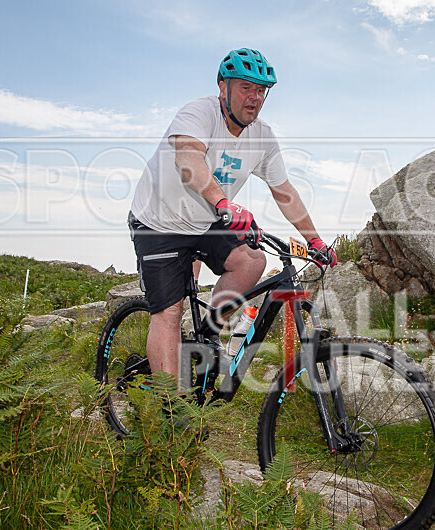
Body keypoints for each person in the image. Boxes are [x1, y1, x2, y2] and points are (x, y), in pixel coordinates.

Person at [128, 48, 336, 382]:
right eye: (245, 87)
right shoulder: (199, 113)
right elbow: (188, 161)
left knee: (252, 261)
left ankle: (208, 333)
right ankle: (170, 406)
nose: (254, 97)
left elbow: (284, 191)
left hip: (205, 220)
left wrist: (315, 241)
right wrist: (223, 202)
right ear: (223, 87)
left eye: (261, 90)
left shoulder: (262, 136)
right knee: (169, 313)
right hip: (158, 223)